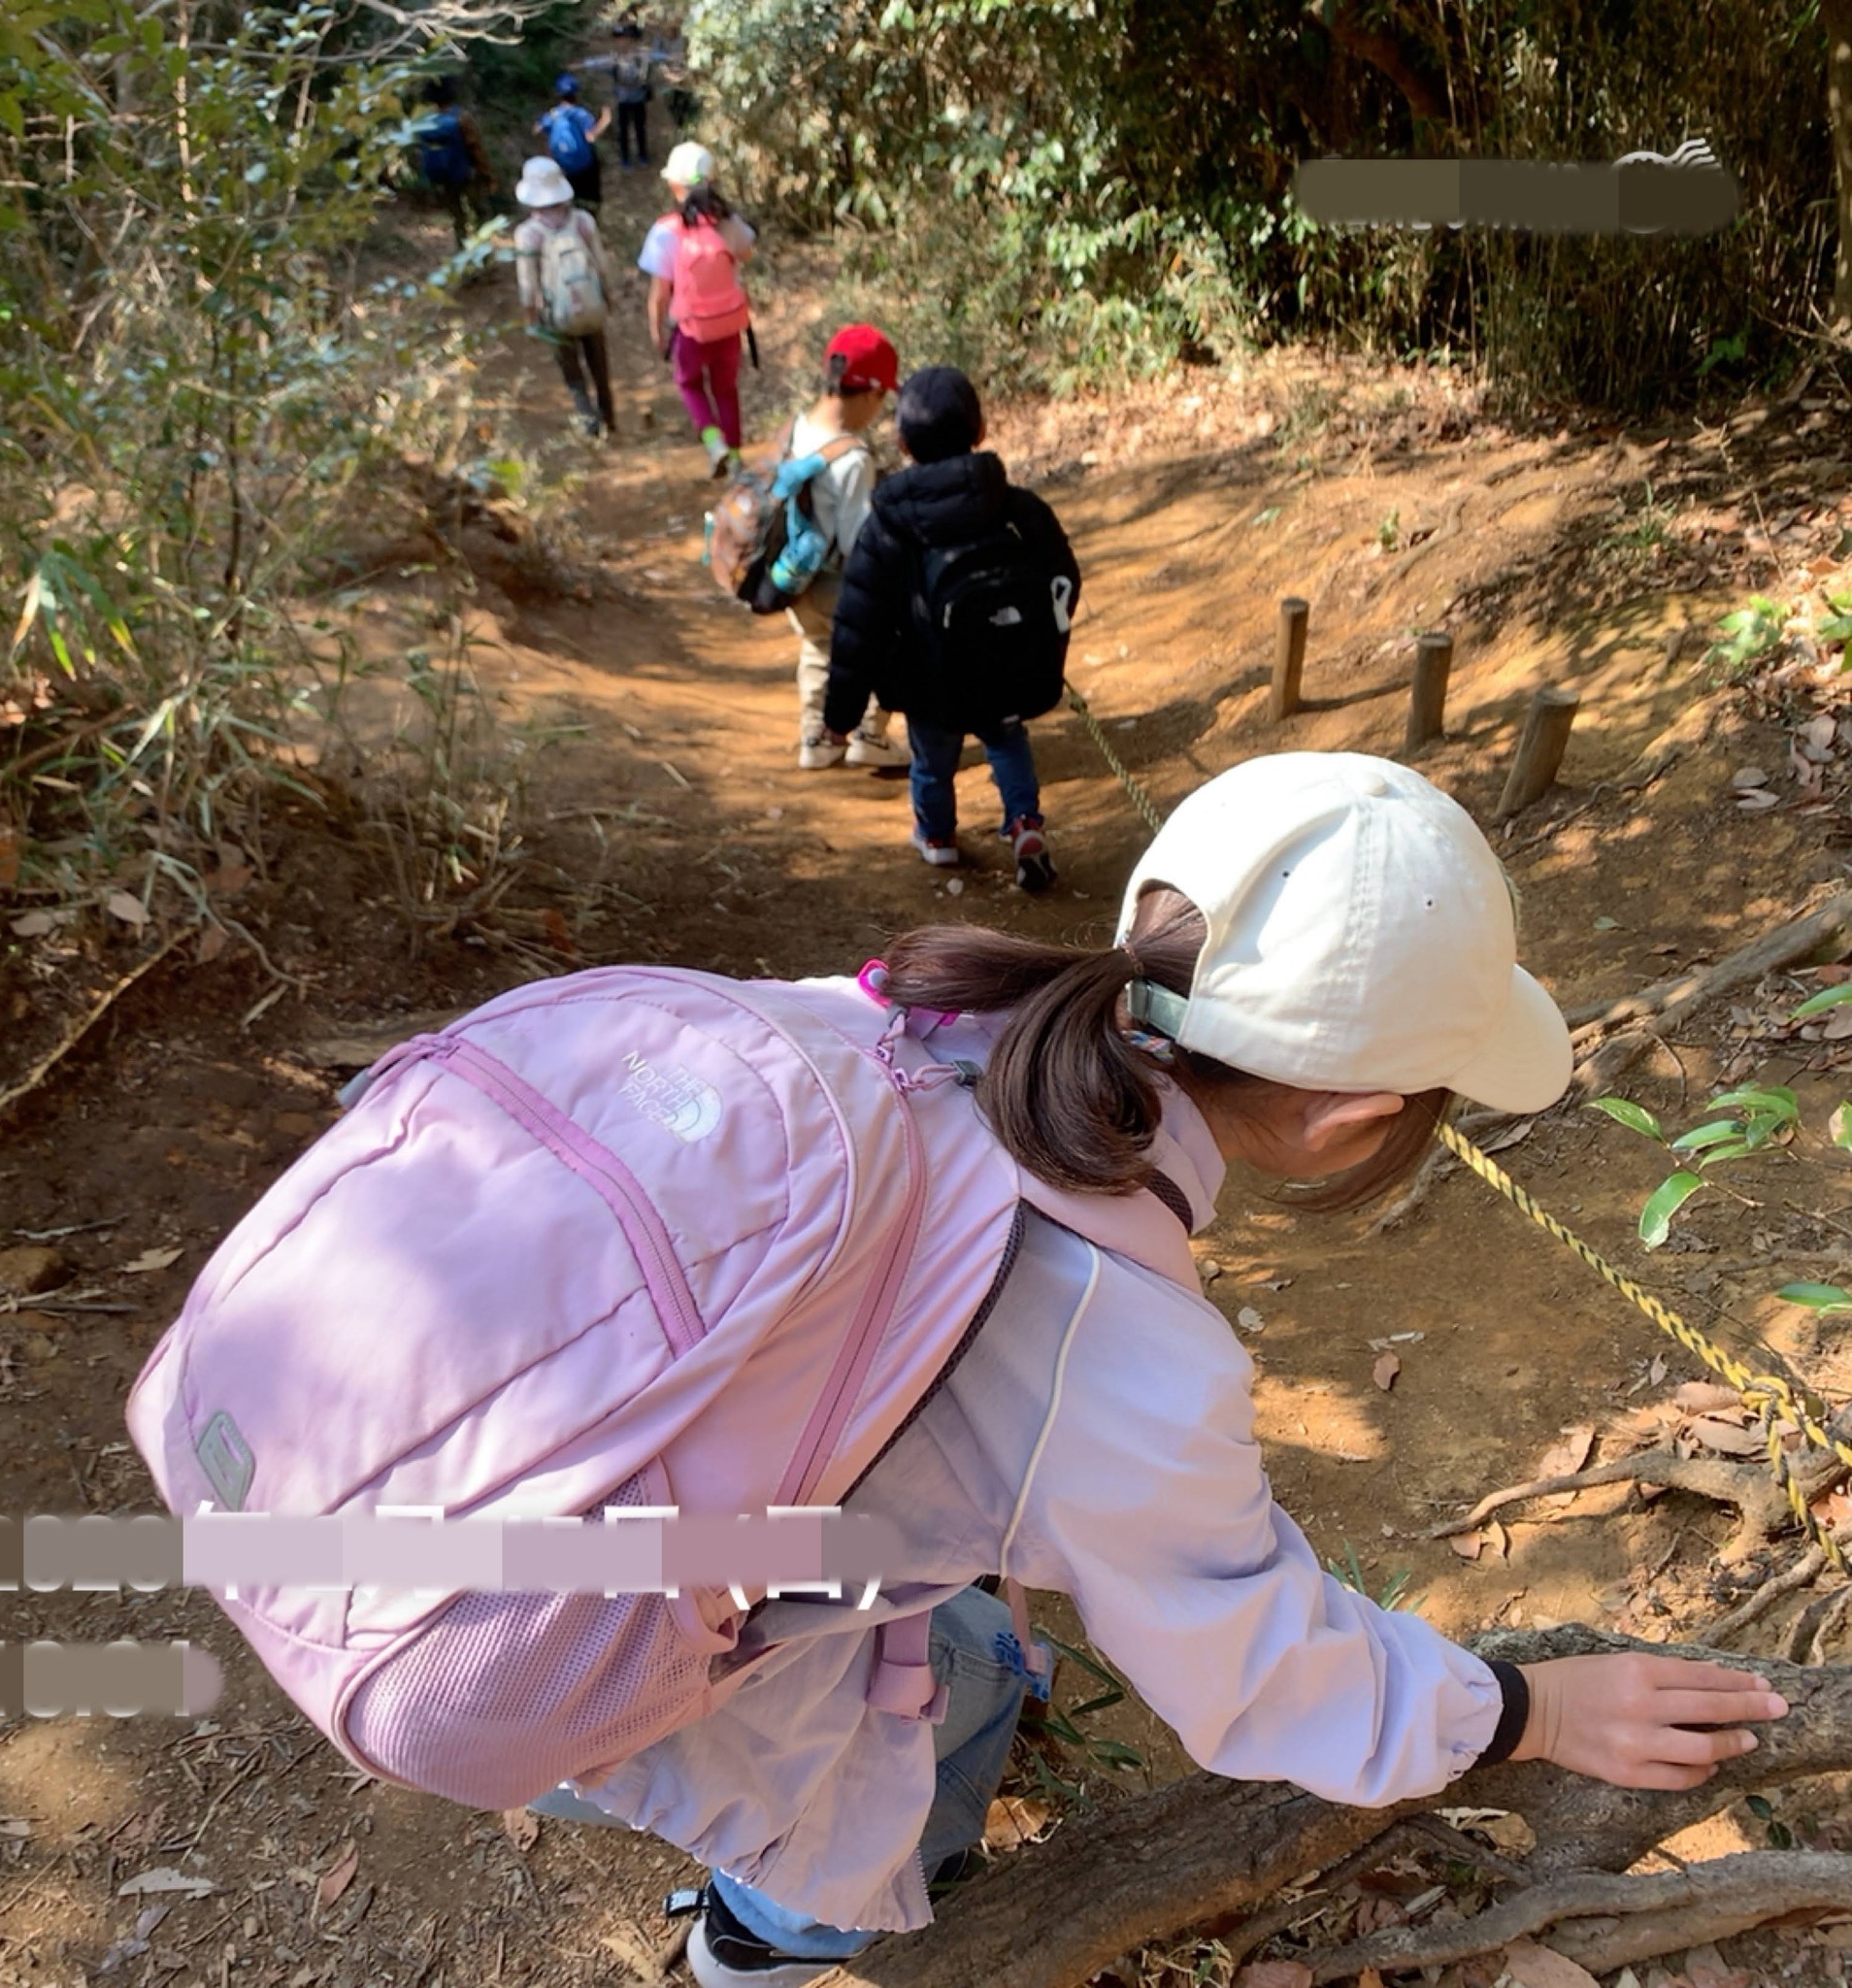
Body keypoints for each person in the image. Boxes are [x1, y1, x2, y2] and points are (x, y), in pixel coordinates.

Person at [130, 751, 1795, 1988]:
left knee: (976, 1637)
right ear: (1361, 1117)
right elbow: (1257, 1671)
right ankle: (759, 1941)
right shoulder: (1114, 1340)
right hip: (515, 1626)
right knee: (916, 1755)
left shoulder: (902, 1023)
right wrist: (1519, 1706)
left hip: (366, 1464)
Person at [821, 365, 1075, 888]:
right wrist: (1039, 643)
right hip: (1004, 671)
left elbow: (858, 624)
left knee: (932, 763)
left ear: (902, 440)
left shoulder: (888, 526)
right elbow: (1062, 577)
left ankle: (937, 838)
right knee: (1007, 741)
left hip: (927, 684)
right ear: (979, 431)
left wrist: (840, 717)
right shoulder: (1013, 507)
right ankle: (1024, 822)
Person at [784, 325, 909, 772]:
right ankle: (867, 735)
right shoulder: (853, 459)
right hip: (840, 582)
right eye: (882, 401)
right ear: (871, 394)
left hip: (796, 579)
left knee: (817, 650)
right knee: (879, 646)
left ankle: (816, 740)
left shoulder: (798, 429)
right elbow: (860, 540)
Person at [640, 142, 755, 477]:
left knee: (689, 385)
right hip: (729, 324)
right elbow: (746, 254)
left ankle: (713, 440)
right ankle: (734, 459)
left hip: (690, 329)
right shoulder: (730, 224)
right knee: (726, 389)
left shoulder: (666, 230)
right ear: (713, 182)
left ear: (675, 186)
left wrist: (657, 332)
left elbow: (659, 293)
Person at [514, 156, 616, 439]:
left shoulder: (528, 234)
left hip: (556, 315)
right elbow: (601, 264)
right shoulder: (583, 221)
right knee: (599, 365)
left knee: (572, 372)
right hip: (592, 305)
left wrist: (531, 318)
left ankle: (588, 421)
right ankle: (609, 415)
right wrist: (607, 296)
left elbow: (528, 283)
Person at [413, 75, 497, 249]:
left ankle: (462, 254)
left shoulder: (426, 122)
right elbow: (475, 149)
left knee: (458, 218)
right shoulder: (461, 118)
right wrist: (487, 174)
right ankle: (483, 257)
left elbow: (420, 151)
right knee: (480, 213)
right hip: (467, 175)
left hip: (444, 178)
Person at [537, 73, 612, 212]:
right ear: (576, 93)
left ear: (558, 94)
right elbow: (591, 137)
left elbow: (537, 129)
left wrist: (548, 146)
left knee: (571, 196)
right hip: (585, 165)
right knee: (591, 198)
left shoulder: (553, 114)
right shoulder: (580, 114)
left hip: (564, 165)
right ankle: (591, 218)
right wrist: (605, 121)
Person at [609, 20, 656, 169]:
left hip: (638, 99)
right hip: (623, 100)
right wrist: (582, 64)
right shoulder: (614, 57)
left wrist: (673, 58)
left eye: (625, 39)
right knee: (623, 130)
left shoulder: (643, 55)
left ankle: (642, 155)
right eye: (619, 39)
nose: (622, 42)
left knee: (639, 128)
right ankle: (625, 158)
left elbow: (659, 56)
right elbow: (598, 63)